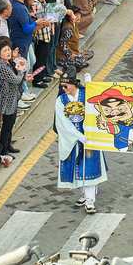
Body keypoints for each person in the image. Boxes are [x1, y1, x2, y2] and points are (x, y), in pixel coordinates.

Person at [56, 76, 107, 215]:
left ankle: (90, 200)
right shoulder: (61, 100)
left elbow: (97, 109)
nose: (63, 89)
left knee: (89, 169)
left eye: (66, 86)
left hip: (89, 138)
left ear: (74, 85)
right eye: (62, 86)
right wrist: (78, 136)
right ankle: (85, 194)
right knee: (76, 170)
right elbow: (62, 123)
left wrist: (91, 85)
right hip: (73, 140)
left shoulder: (86, 94)